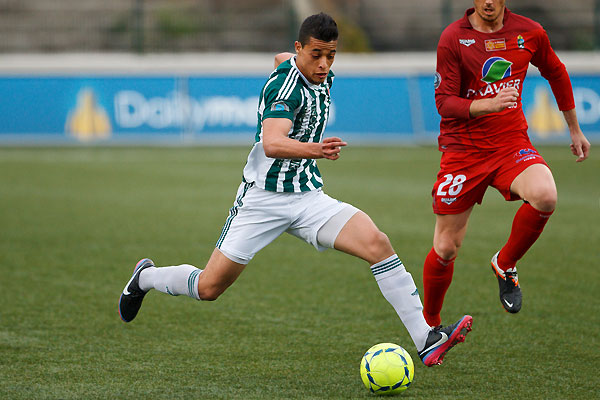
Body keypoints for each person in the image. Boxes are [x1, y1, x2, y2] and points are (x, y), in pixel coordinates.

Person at [118, 12, 472, 366]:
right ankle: (146, 277)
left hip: (307, 197)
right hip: (263, 201)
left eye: (330, 55)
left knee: (377, 244)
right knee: (209, 288)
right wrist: (316, 149)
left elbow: (281, 59)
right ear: (299, 47)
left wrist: (294, 63)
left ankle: (425, 338)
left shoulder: (310, 69)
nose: (323, 64)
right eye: (316, 55)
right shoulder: (286, 89)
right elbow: (272, 142)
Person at [422, 0, 591, 326]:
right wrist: (488, 105)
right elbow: (444, 102)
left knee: (546, 195)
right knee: (445, 248)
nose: (488, 2)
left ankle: (505, 262)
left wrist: (574, 128)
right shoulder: (453, 38)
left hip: (510, 144)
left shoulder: (530, 32)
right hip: (463, 152)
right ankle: (429, 325)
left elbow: (555, 71)